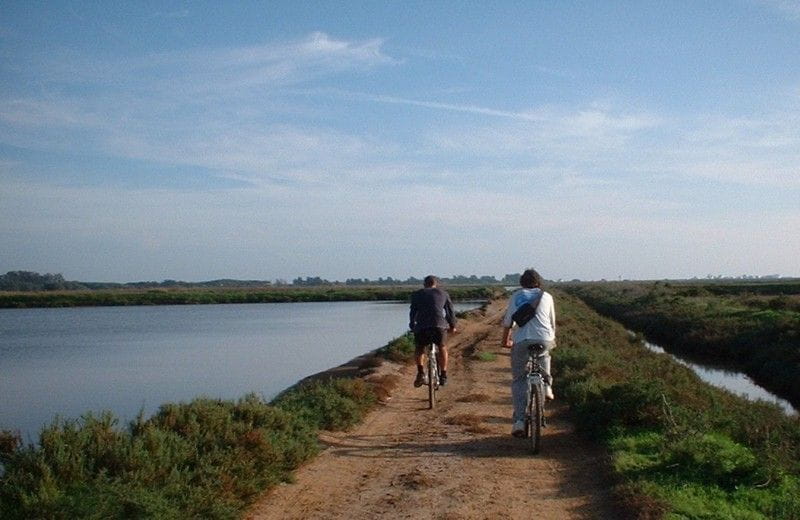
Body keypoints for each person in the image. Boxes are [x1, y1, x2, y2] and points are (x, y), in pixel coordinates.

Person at [501, 268, 556, 438]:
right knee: (545, 355)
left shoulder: (516, 296)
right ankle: (547, 386)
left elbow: (508, 323)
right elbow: (552, 323)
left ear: (521, 283)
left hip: (522, 340)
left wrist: (505, 341)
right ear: (539, 282)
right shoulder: (547, 297)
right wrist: (551, 340)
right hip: (544, 338)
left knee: (519, 379)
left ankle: (519, 421)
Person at [409, 275, 457, 387]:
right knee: (442, 347)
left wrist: (412, 325)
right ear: (436, 284)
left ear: (424, 284)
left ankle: (420, 372)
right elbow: (450, 312)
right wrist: (452, 325)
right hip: (439, 326)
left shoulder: (417, 294)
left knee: (420, 348)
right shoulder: (443, 294)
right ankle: (444, 375)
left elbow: (413, 312)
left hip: (422, 326)